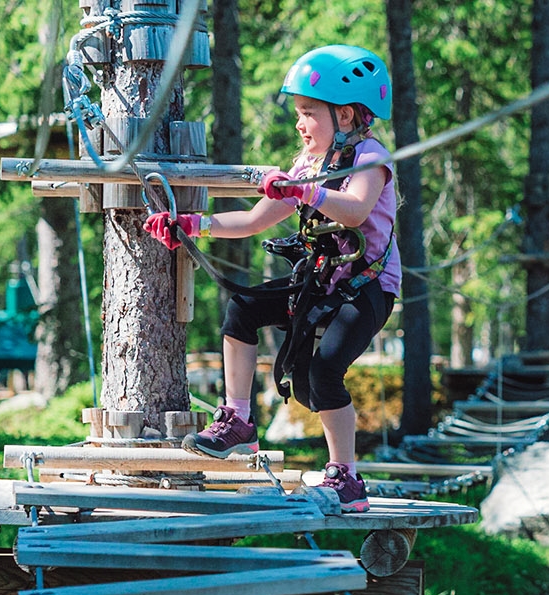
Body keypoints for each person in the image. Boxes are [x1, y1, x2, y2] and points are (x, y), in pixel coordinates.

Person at [144, 44, 399, 513]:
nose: (299, 124)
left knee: (325, 372)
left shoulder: (370, 157)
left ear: (344, 116)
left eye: (307, 113)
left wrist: (307, 190)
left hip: (367, 288)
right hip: (319, 281)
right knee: (242, 309)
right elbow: (256, 219)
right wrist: (194, 225)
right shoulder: (307, 165)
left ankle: (346, 477)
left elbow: (356, 207)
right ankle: (238, 421)